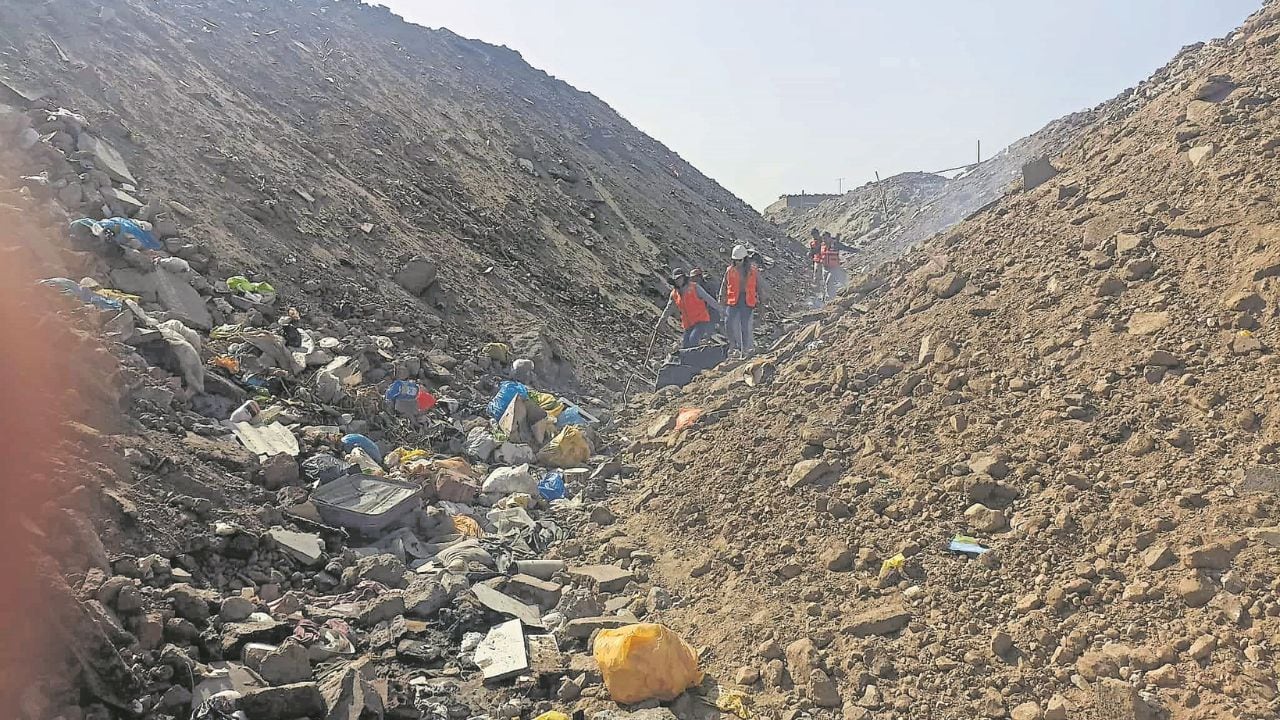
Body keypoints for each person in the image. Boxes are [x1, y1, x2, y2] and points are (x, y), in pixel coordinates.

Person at [658, 269, 722, 349]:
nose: (679, 281)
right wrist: (661, 321)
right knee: (685, 344)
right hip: (688, 323)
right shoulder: (674, 294)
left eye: (680, 278)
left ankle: (696, 360)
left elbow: (709, 299)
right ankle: (690, 360)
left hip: (701, 320)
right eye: (677, 279)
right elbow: (668, 309)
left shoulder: (694, 287)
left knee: (693, 339)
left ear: (684, 278)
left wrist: (721, 310)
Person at [720, 244, 765, 358]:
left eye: (739, 260)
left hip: (747, 300)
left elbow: (759, 287)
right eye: (735, 260)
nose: (737, 263)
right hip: (733, 300)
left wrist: (761, 304)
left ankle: (745, 349)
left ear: (745, 259)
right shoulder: (730, 270)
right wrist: (721, 300)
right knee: (728, 322)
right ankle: (733, 345)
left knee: (744, 325)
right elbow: (724, 286)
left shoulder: (753, 271)